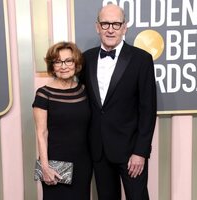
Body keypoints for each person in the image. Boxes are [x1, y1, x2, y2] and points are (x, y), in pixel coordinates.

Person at [81, 4, 157, 200]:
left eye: (116, 23)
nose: (110, 29)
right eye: (105, 23)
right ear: (97, 26)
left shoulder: (142, 60)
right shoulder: (86, 59)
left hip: (131, 152)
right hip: (99, 150)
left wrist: (141, 152)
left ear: (125, 27)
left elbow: (148, 110)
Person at [32, 41, 92, 200]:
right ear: (52, 66)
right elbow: (41, 132)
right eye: (57, 62)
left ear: (76, 63)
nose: (63, 66)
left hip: (83, 163)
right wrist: (45, 166)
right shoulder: (43, 94)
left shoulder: (84, 90)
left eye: (68, 61)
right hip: (55, 164)